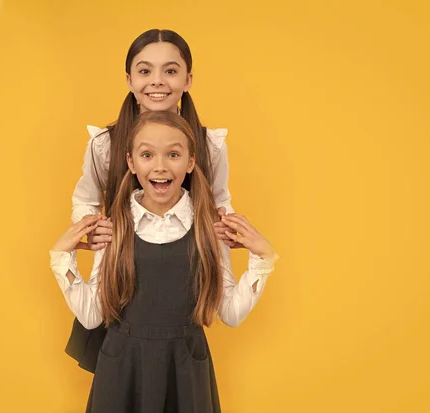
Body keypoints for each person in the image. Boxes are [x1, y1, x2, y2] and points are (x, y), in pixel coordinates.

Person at [50, 110, 278, 412]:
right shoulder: (114, 226)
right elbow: (93, 316)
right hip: (122, 370)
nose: (160, 166)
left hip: (185, 368)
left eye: (173, 154)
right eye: (147, 154)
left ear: (191, 161)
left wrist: (262, 259)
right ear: (131, 163)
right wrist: (62, 259)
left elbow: (231, 314)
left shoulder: (209, 228)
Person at [66, 28, 238, 373]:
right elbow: (85, 200)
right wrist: (92, 228)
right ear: (129, 79)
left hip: (178, 281)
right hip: (124, 282)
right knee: (125, 381)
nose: (157, 81)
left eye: (170, 71)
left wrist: (226, 227)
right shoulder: (105, 143)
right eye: (145, 71)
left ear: (188, 79)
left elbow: (220, 201)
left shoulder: (209, 145)